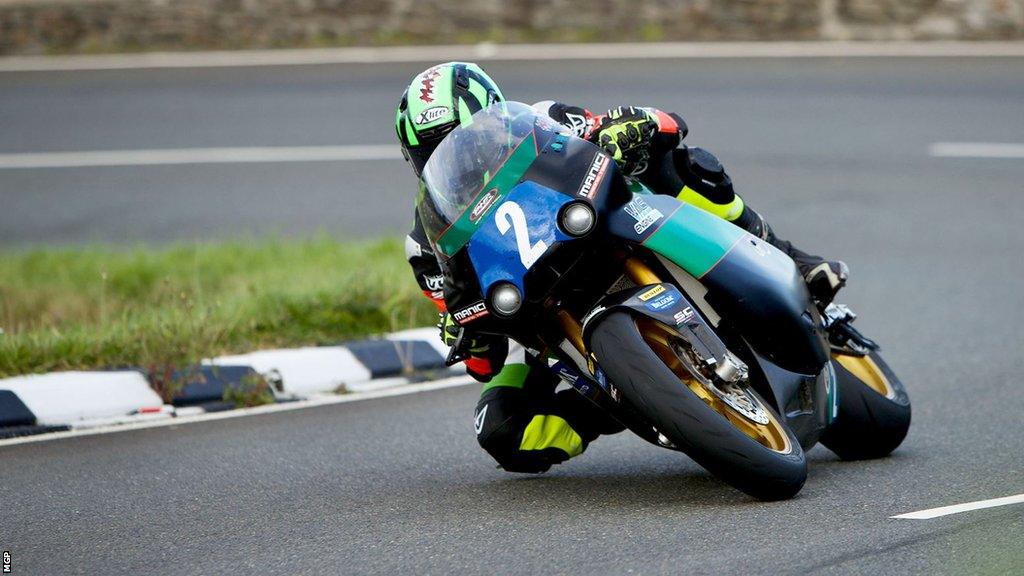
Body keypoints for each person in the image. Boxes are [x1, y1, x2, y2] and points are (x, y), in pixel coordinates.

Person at [396, 61, 848, 474]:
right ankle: (641, 397)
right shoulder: (426, 241)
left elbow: (665, 124)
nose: (459, 156)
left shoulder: (545, 118)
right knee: (503, 431)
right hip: (536, 308)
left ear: (495, 115)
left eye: (467, 137)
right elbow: (478, 353)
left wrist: (631, 125)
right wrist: (465, 332)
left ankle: (795, 258)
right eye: (435, 151)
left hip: (610, 223)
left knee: (684, 165)